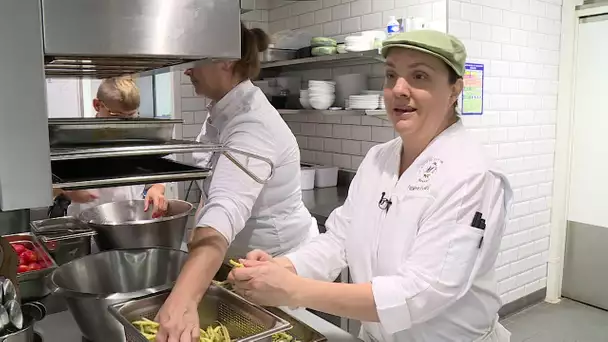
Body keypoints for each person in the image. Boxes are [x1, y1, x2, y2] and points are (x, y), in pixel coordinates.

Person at [229, 30, 514, 342]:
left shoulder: (471, 173)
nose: (399, 89)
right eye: (391, 75)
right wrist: (284, 267)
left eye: (419, 76)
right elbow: (339, 240)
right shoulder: (379, 158)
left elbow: (421, 292)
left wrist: (294, 290)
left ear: (454, 90)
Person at [154, 23, 319, 342]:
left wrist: (183, 298)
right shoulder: (222, 113)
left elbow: (224, 208)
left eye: (194, 61)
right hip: (241, 268)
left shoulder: (252, 126)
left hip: (278, 271)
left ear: (225, 60)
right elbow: (207, 168)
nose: (187, 72)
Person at [52, 76, 167, 217]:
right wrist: (68, 191)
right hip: (86, 223)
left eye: (130, 117)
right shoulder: (75, 138)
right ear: (97, 105)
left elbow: (160, 171)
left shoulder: (139, 137)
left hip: (129, 221)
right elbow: (49, 181)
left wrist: (156, 188)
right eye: (116, 116)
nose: (124, 124)